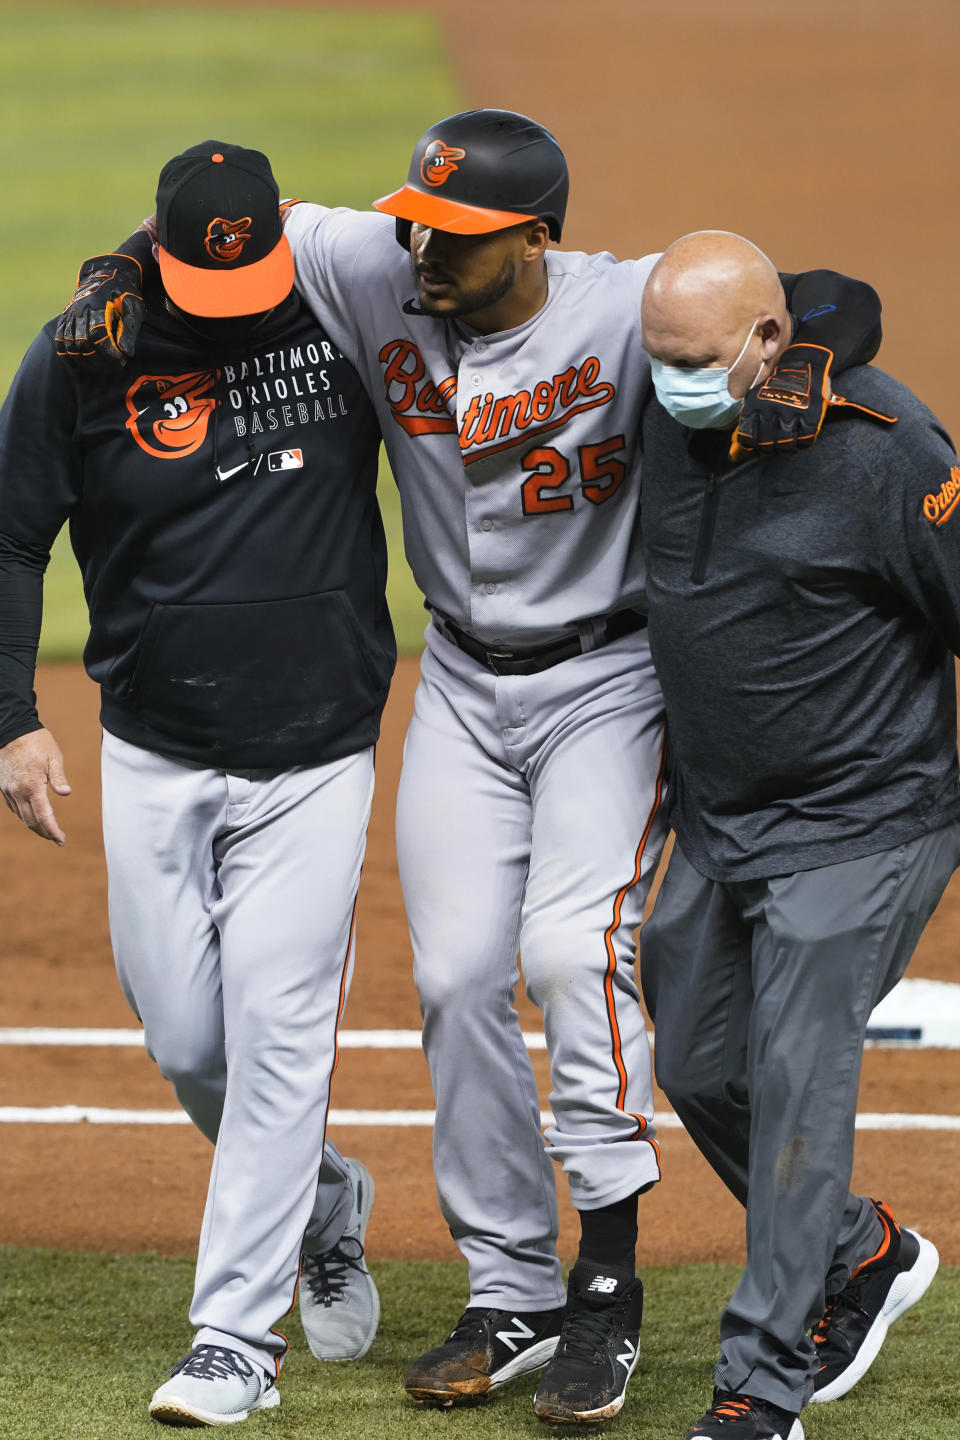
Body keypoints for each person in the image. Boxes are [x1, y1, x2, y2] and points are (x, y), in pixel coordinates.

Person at [54, 111, 882, 1427]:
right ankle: (513, 1289)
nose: (423, 246)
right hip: (454, 684)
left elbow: (793, 308)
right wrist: (112, 276)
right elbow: (213, 231)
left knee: (567, 952)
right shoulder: (375, 260)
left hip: (606, 684)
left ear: (538, 239)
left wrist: (822, 355)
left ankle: (605, 1290)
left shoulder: (623, 305)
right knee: (449, 979)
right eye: (418, 221)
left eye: (458, 234)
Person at [0, 141, 396, 1426]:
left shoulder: (344, 307)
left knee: (279, 1036)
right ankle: (324, 1194)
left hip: (318, 751)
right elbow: (11, 534)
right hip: (155, 747)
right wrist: (12, 718)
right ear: (157, 247)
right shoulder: (87, 349)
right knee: (186, 1042)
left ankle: (236, 1339)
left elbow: (482, 288)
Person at [638, 230, 958, 1440]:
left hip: (864, 821)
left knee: (794, 1083)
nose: (666, 379)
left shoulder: (888, 452)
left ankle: (761, 1388)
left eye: (693, 359)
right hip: (725, 823)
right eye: (655, 356)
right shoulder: (674, 408)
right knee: (696, 1064)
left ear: (771, 341)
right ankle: (861, 1249)